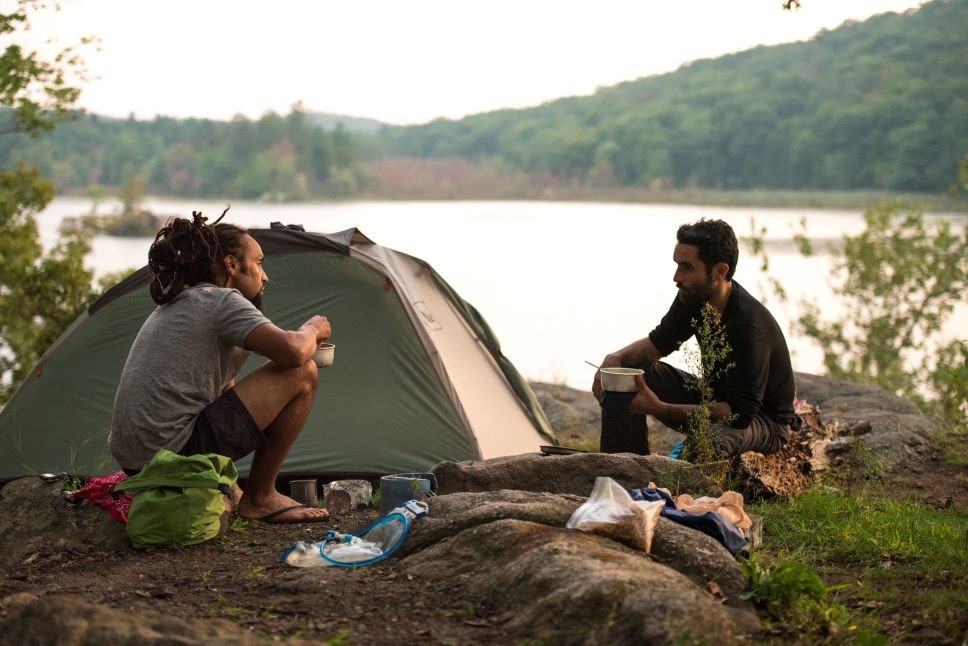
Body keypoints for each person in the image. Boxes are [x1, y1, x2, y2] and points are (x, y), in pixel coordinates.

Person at [110, 209, 331, 523]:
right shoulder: (221, 301)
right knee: (302, 372)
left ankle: (241, 492)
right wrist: (314, 328)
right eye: (258, 263)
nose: (264, 275)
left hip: (136, 461)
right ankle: (261, 497)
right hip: (172, 455)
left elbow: (220, 393)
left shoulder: (186, 302)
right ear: (231, 264)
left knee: (238, 387)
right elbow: (293, 352)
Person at [591, 218, 797, 458]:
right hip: (715, 400)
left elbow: (739, 414)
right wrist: (615, 360)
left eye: (687, 267)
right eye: (677, 265)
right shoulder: (694, 298)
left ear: (720, 271)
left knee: (707, 442)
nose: (676, 277)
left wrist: (660, 408)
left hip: (764, 423)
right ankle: (624, 470)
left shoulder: (750, 327)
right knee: (626, 373)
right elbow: (658, 344)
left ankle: (673, 486)